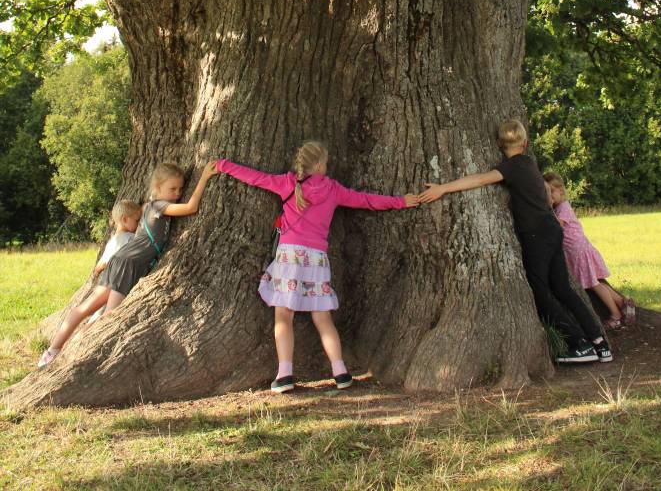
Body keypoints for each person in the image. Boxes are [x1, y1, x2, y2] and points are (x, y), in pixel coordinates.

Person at [216, 140, 419, 393]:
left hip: (290, 258)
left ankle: (285, 374)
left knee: (283, 315)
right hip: (317, 260)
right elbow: (366, 200)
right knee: (323, 317)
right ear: (321, 164)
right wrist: (400, 201)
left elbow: (255, 178)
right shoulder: (333, 190)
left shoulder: (288, 184)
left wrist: (223, 165)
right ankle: (341, 371)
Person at [419, 119, 613, 365]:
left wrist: (443, 188)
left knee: (540, 292)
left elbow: (479, 179)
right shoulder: (529, 162)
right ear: (526, 143)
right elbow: (544, 186)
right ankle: (599, 343)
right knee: (563, 288)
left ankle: (579, 343)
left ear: (499, 144)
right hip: (552, 228)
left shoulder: (509, 167)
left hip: (536, 235)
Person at [38, 160, 218, 367]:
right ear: (157, 188)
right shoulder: (159, 205)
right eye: (172, 189)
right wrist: (204, 177)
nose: (177, 193)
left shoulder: (148, 206)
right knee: (109, 316)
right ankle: (70, 353)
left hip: (121, 259)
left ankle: (53, 350)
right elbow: (190, 207)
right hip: (131, 263)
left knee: (86, 308)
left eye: (180, 188)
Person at [544, 173, 635, 328]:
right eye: (546, 193)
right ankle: (622, 303)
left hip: (578, 251)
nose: (550, 196)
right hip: (577, 250)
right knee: (596, 281)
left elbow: (556, 226)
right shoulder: (560, 207)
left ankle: (616, 315)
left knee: (594, 284)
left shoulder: (563, 207)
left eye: (551, 192)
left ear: (561, 191)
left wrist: (546, 205)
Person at [88, 200, 142, 324]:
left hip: (106, 280)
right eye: (136, 221)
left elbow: (99, 265)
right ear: (124, 219)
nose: (139, 225)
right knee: (103, 315)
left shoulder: (113, 240)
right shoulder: (128, 239)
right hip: (116, 282)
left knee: (99, 312)